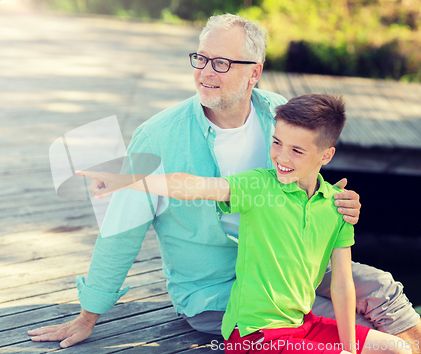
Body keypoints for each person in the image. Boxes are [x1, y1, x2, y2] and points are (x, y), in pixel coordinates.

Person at [28, 14, 421, 349]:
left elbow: (305, 177)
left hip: (289, 263)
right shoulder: (159, 136)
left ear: (255, 72)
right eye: (200, 58)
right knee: (350, 328)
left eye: (220, 63)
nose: (204, 72)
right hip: (217, 289)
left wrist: (337, 201)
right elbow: (121, 230)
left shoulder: (276, 112)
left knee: (382, 288)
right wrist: (88, 316)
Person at [78, 93, 412, 354]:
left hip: (303, 324)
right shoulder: (257, 186)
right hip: (256, 334)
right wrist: (128, 179)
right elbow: (193, 185)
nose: (281, 157)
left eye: (297, 150)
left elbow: (341, 285)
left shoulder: (335, 206)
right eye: (276, 143)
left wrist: (349, 347)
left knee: (395, 347)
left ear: (326, 156)